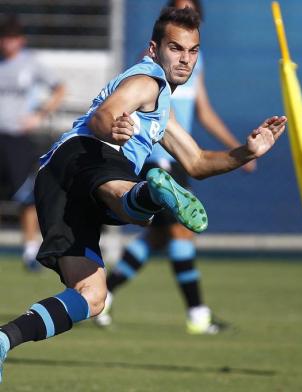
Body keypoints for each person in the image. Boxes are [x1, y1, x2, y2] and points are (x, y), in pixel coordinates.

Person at [0, 7, 286, 383]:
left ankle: (5, 340)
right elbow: (106, 114)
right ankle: (149, 193)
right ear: (155, 49)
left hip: (57, 181)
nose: (185, 58)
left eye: (193, 50)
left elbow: (197, 161)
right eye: (176, 48)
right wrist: (112, 128)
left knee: (91, 296)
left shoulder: (161, 106)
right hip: (87, 156)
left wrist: (246, 152)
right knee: (133, 206)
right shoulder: (148, 80)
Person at [95, 0, 256, 334]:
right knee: (181, 231)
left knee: (157, 237)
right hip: (159, 153)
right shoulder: (155, 61)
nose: (185, 11)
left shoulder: (193, 61)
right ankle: (197, 313)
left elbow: (204, 111)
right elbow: (127, 101)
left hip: (182, 152)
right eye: (178, 6)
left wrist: (238, 149)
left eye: (190, 8)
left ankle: (106, 294)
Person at [0, 15, 65, 271]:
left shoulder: (31, 63)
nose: (8, 44)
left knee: (26, 195)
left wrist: (39, 114)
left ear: (21, 41)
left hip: (17, 137)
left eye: (12, 39)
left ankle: (30, 249)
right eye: (4, 38)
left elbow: (60, 89)